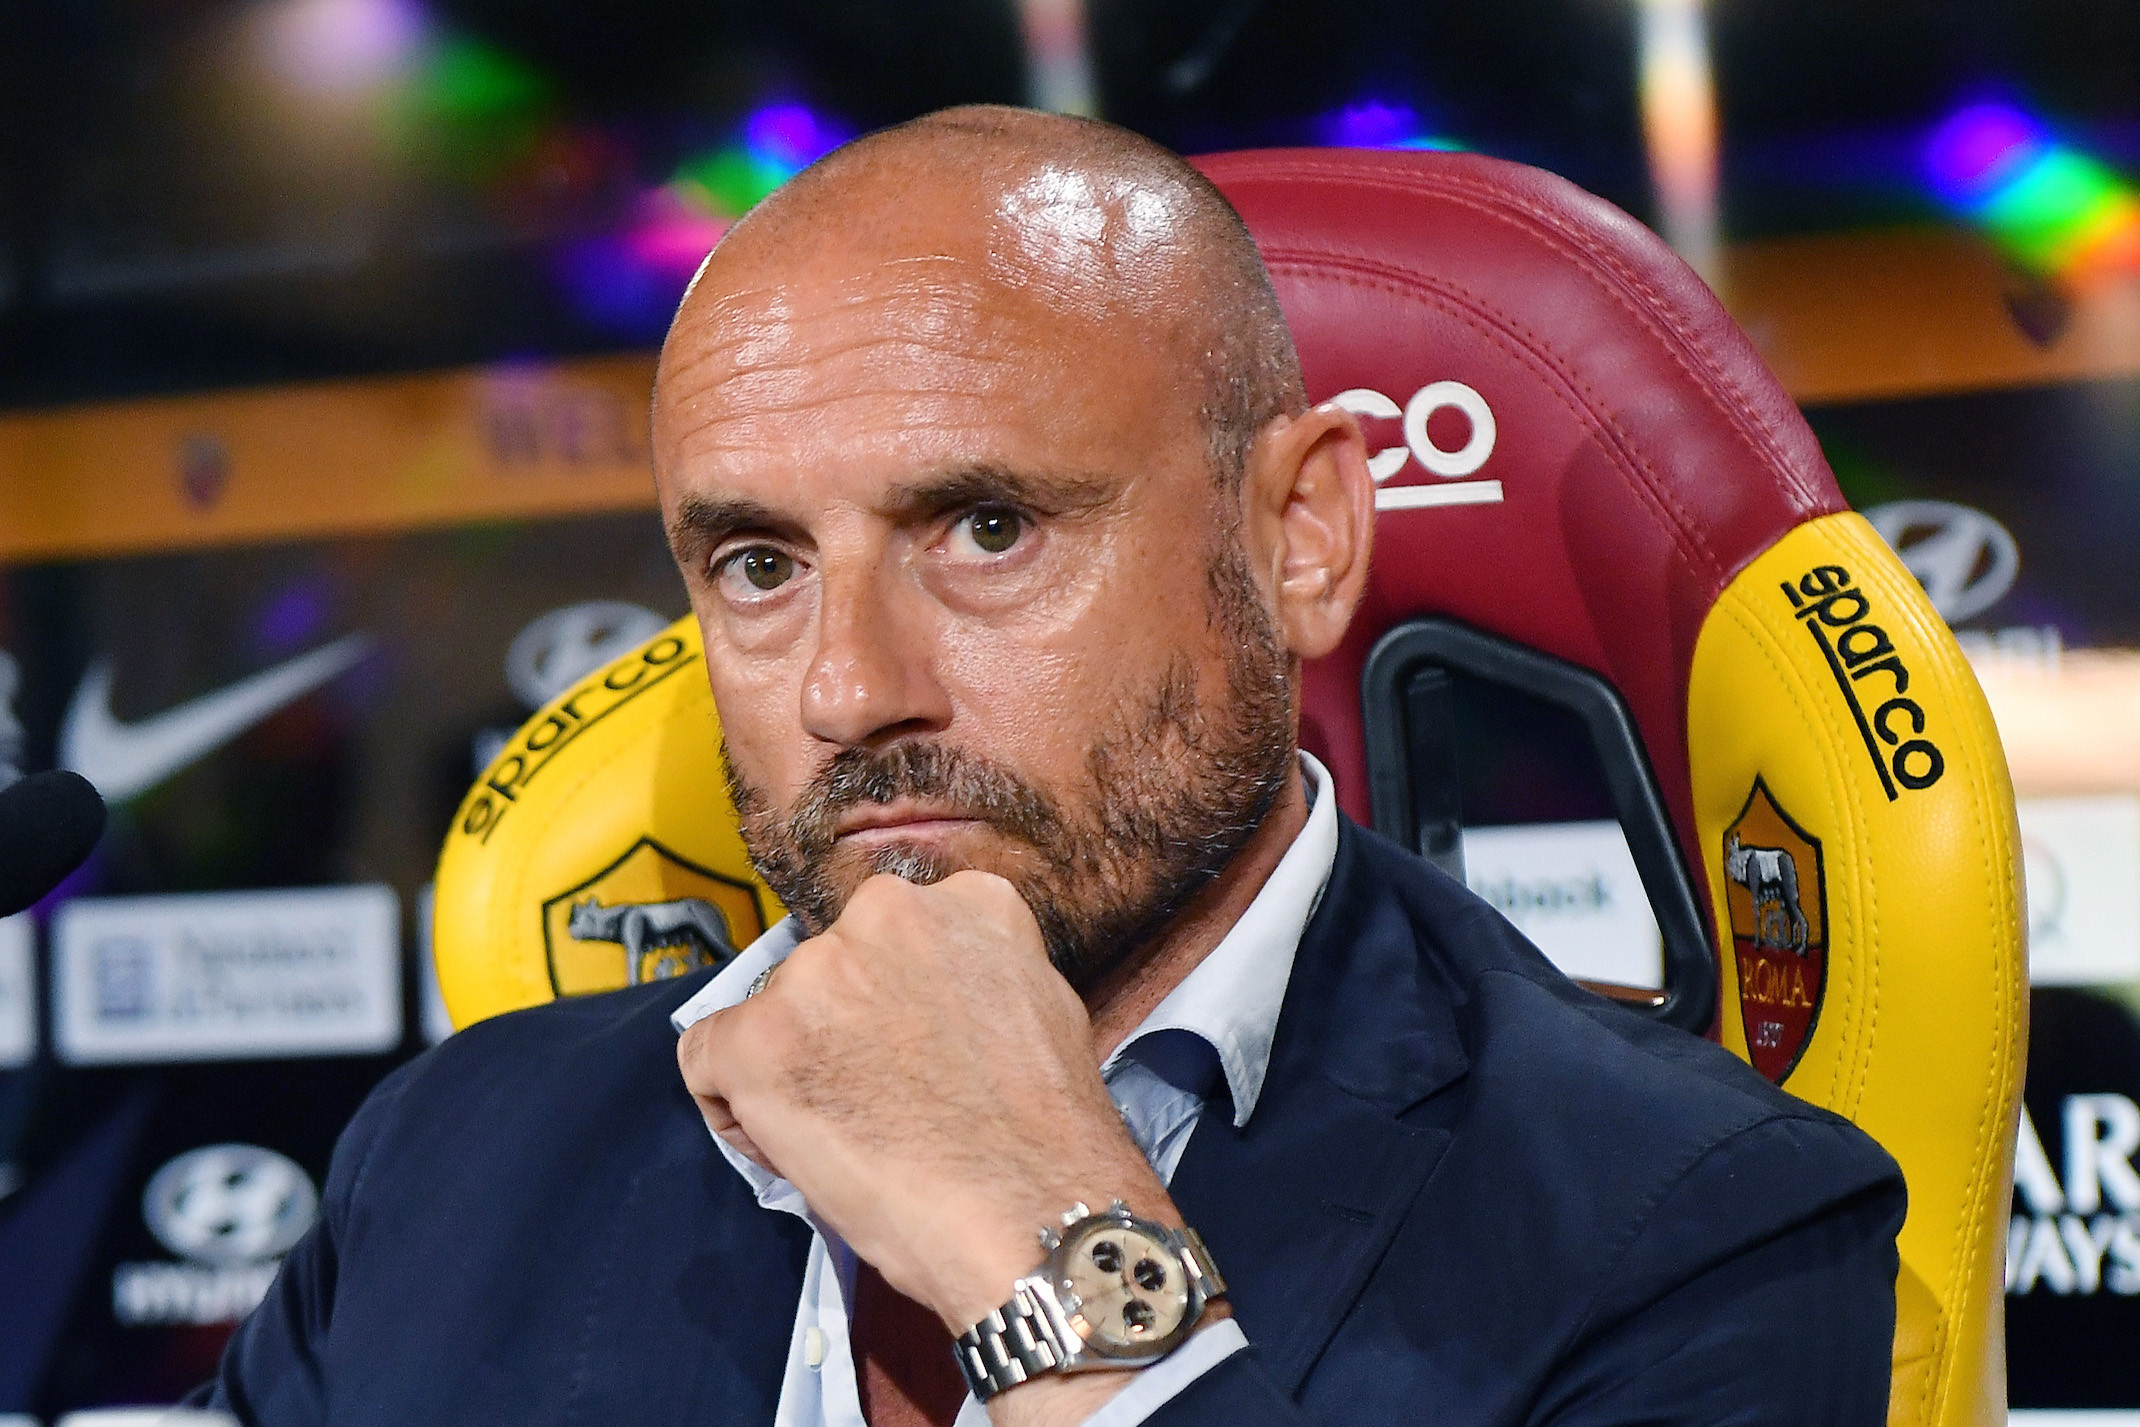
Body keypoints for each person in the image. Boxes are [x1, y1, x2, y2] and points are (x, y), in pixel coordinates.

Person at [191, 106, 1904, 1427]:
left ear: (1298, 535)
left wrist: (1041, 1242)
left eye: (988, 528)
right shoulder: (454, 1154)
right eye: (759, 566)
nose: (851, 689)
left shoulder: (1694, 1222)